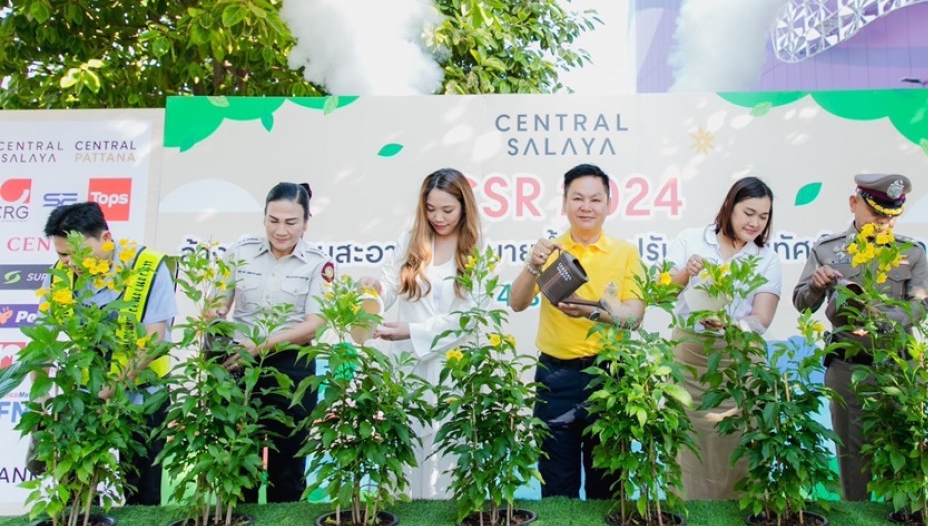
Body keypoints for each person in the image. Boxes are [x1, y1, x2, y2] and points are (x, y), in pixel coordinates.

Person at [792, 173, 928, 501]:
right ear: (854, 203)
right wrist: (817, 285)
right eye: (877, 214)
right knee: (854, 468)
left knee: (904, 460)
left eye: (891, 216)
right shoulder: (828, 249)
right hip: (848, 368)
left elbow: (920, 305)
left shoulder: (911, 252)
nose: (883, 222)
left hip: (898, 367)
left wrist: (880, 319)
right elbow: (802, 303)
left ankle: (904, 525)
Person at [509, 163, 644, 499]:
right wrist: (532, 265)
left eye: (595, 199)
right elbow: (517, 302)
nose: (586, 207)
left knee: (606, 486)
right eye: (578, 198)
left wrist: (592, 311)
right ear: (564, 203)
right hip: (555, 377)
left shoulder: (626, 252)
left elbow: (634, 317)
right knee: (556, 486)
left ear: (609, 204)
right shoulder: (550, 251)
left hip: (608, 375)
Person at [360, 168, 489, 499]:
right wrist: (375, 290)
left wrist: (413, 331)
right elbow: (390, 286)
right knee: (407, 448)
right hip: (408, 366)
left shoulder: (478, 248)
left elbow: (469, 315)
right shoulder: (410, 240)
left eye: (447, 210)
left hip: (453, 366)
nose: (438, 218)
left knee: (450, 451)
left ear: (464, 207)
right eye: (431, 209)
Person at [43, 201, 177, 506]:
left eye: (78, 253)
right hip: (85, 394)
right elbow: (43, 340)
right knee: (76, 489)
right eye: (62, 254)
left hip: (142, 392)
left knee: (142, 492)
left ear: (105, 239)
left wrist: (112, 387)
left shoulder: (148, 267)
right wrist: (41, 398)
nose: (70, 262)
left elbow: (154, 341)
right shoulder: (60, 275)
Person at [212, 182, 334, 503]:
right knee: (239, 463)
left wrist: (260, 347)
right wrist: (216, 319)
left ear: (306, 222)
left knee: (288, 470)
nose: (281, 230)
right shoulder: (239, 253)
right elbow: (216, 304)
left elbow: (313, 326)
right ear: (264, 217)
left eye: (291, 222)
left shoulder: (319, 263)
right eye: (273, 220)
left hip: (291, 369)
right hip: (238, 365)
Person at [668, 177, 782, 500]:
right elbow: (664, 293)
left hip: (741, 361)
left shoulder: (766, 258)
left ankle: (742, 514)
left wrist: (731, 325)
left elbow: (761, 318)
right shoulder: (691, 240)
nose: (755, 223)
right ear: (729, 208)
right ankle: (688, 513)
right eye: (749, 213)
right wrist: (686, 273)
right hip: (691, 358)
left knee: (742, 439)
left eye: (763, 217)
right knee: (689, 442)